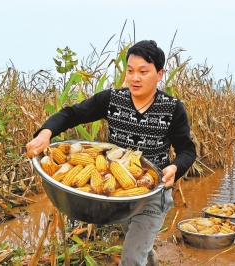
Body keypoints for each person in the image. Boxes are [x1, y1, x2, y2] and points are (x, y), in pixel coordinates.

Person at [26, 40, 196, 266]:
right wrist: (45, 133)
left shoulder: (172, 108)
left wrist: (175, 167)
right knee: (139, 247)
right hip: (119, 194)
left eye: (143, 72)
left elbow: (187, 149)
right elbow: (70, 114)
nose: (135, 78)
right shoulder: (112, 100)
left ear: (159, 74)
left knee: (132, 258)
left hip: (153, 193)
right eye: (130, 71)